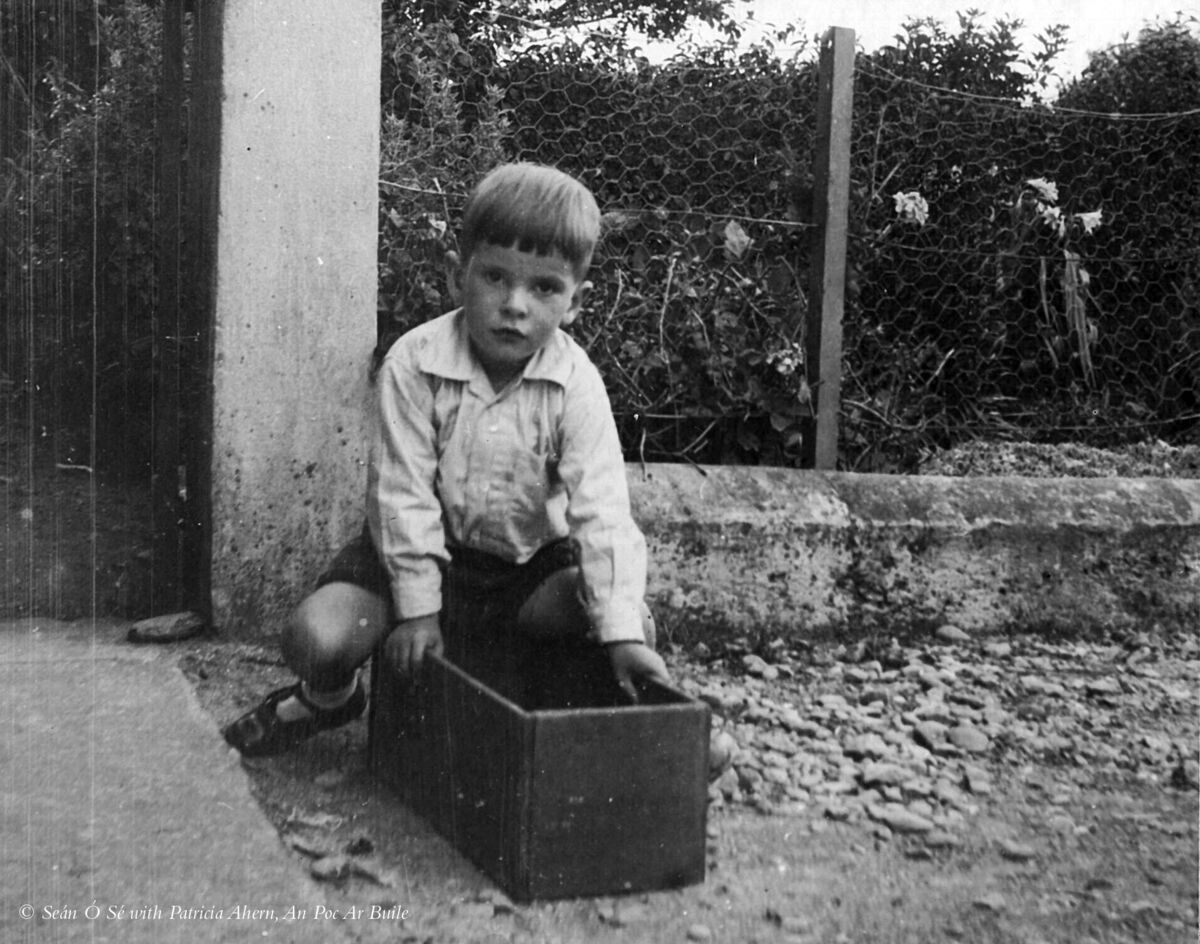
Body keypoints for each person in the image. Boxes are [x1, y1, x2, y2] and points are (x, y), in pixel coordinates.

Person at [223, 162, 671, 758]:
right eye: (494, 277)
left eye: (544, 288)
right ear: (459, 275)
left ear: (576, 302)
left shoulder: (576, 386)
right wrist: (417, 609)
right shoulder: (415, 364)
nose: (514, 305)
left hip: (524, 573)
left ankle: (612, 726)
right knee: (317, 637)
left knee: (629, 623)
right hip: (413, 557)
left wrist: (618, 632)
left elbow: (604, 513)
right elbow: (400, 495)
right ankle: (330, 697)